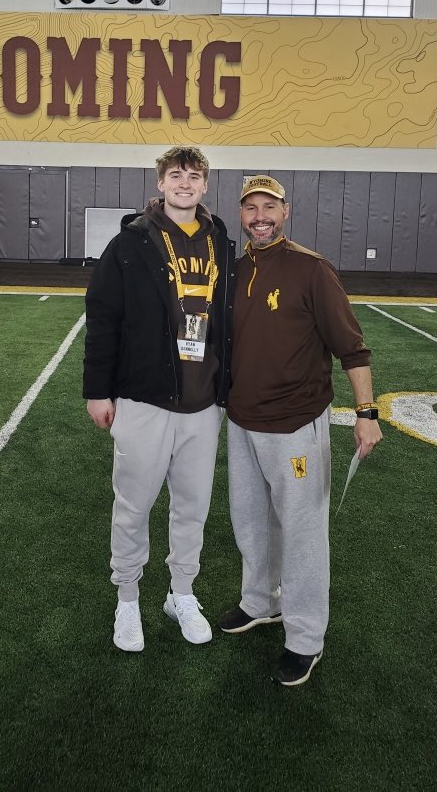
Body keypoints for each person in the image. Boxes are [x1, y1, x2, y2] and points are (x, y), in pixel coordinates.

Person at [217, 175, 382, 686]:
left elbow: (351, 347)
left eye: (269, 206)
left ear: (285, 212)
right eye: (251, 208)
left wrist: (366, 411)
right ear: (241, 215)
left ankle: (306, 637)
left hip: (296, 425)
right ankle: (260, 602)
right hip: (241, 420)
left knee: (303, 536)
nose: (259, 216)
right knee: (250, 522)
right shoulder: (236, 268)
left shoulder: (312, 269)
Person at [84, 146, 235, 653]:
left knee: (192, 508)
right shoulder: (130, 242)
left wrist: (227, 387)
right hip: (145, 398)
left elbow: (228, 322)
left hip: (202, 403)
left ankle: (182, 594)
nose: (185, 184)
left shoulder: (220, 240)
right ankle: (127, 600)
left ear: (206, 185)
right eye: (176, 175)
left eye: (194, 176)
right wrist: (97, 390)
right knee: (133, 505)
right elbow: (102, 317)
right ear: (161, 183)